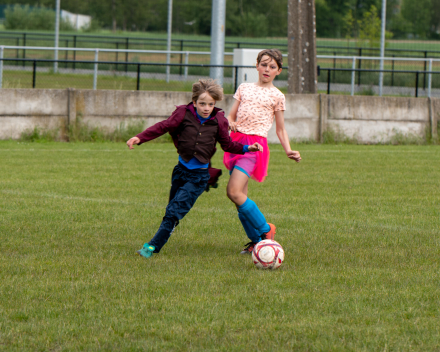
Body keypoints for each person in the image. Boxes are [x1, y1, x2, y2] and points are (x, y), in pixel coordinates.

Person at [126, 79, 263, 259]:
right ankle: (168, 228)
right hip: (180, 171)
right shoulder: (182, 113)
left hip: (198, 177)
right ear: (194, 102)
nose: (206, 108)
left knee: (173, 212)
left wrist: (247, 148)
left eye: (211, 104)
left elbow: (227, 144)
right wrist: (140, 137)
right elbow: (163, 127)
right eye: (202, 104)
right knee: (171, 211)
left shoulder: (219, 121)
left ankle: (151, 248)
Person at [223, 49, 302, 254]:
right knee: (239, 197)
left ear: (279, 71)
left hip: (255, 146)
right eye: (264, 64)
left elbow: (280, 128)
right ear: (257, 65)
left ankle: (266, 230)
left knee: (233, 191)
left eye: (272, 66)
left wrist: (288, 150)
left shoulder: (277, 96)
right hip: (236, 144)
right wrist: (230, 124)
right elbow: (230, 116)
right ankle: (257, 242)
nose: (267, 69)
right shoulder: (244, 88)